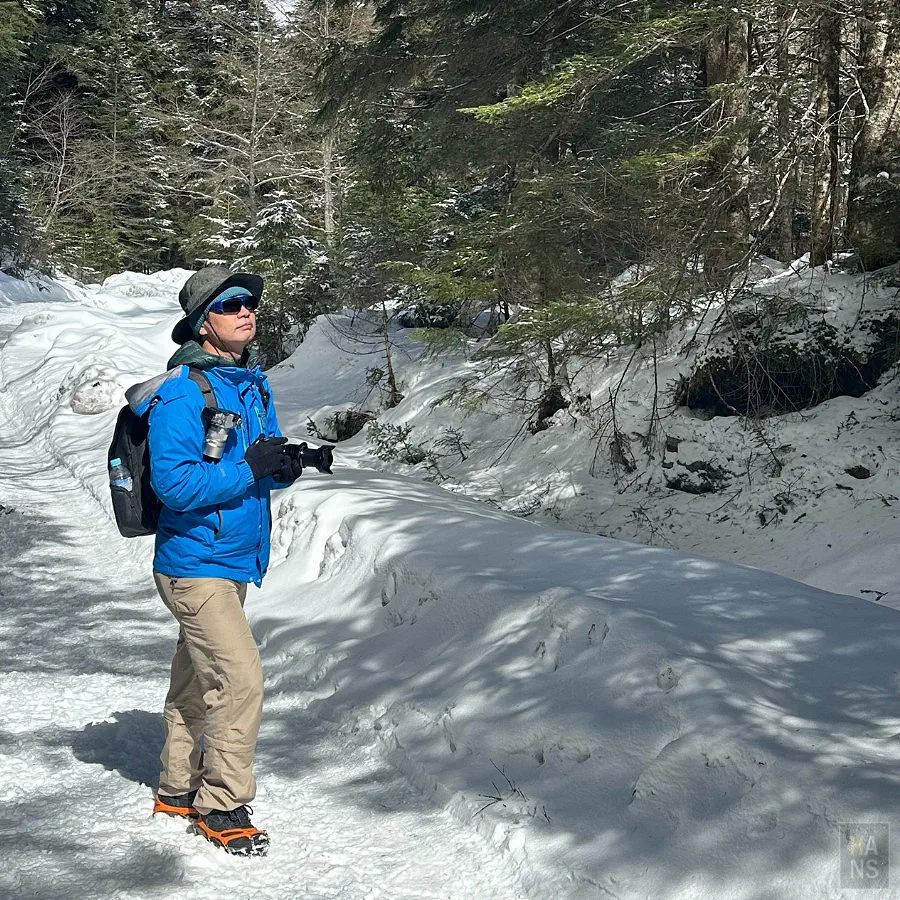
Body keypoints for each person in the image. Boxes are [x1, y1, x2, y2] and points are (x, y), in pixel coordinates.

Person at [147, 265, 301, 857]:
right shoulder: (184, 391)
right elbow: (177, 487)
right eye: (232, 303)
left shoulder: (250, 385)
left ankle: (177, 788)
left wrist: (285, 464)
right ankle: (222, 804)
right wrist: (250, 469)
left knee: (194, 677)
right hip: (194, 562)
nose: (247, 311)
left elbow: (256, 463)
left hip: (231, 559)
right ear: (202, 322)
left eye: (251, 302)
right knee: (240, 678)